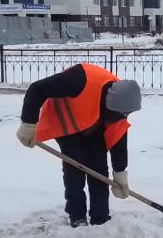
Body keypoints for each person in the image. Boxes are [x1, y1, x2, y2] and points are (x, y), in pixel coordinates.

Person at [16, 64, 141, 227]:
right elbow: (37, 89)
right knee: (75, 167)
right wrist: (28, 123)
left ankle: (100, 216)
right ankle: (77, 216)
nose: (120, 117)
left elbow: (118, 139)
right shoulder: (78, 80)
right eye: (117, 114)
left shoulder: (120, 103)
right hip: (66, 122)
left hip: (92, 123)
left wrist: (120, 173)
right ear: (108, 102)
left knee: (99, 168)